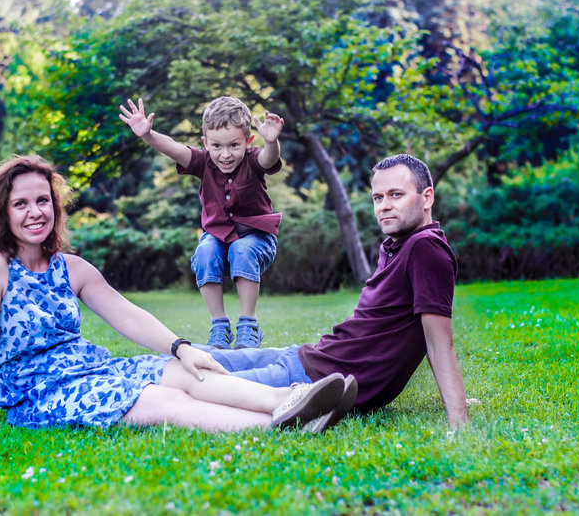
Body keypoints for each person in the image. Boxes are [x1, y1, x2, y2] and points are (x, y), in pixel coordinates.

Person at [0, 156, 351, 433]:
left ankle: (290, 399)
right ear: (2, 211)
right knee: (161, 400)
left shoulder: (70, 267)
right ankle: (279, 424)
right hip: (40, 393)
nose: (35, 212)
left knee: (183, 372)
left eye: (43, 200)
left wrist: (181, 348)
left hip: (91, 369)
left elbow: (126, 314)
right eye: (21, 204)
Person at [197, 154, 469, 431]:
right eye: (378, 198)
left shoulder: (425, 249)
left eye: (396, 195)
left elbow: (439, 344)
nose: (384, 206)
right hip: (310, 358)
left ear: (427, 197)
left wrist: (460, 422)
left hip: (318, 382)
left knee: (198, 380)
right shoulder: (397, 245)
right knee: (201, 358)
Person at [119, 96, 284, 350]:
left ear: (248, 141)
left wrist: (272, 142)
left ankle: (249, 325)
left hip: (256, 239)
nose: (225, 154)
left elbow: (269, 160)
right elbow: (172, 147)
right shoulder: (202, 161)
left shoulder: (253, 160)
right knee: (205, 251)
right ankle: (219, 326)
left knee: (242, 249)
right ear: (205, 143)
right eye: (216, 146)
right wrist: (148, 135)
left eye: (234, 145)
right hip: (218, 239)